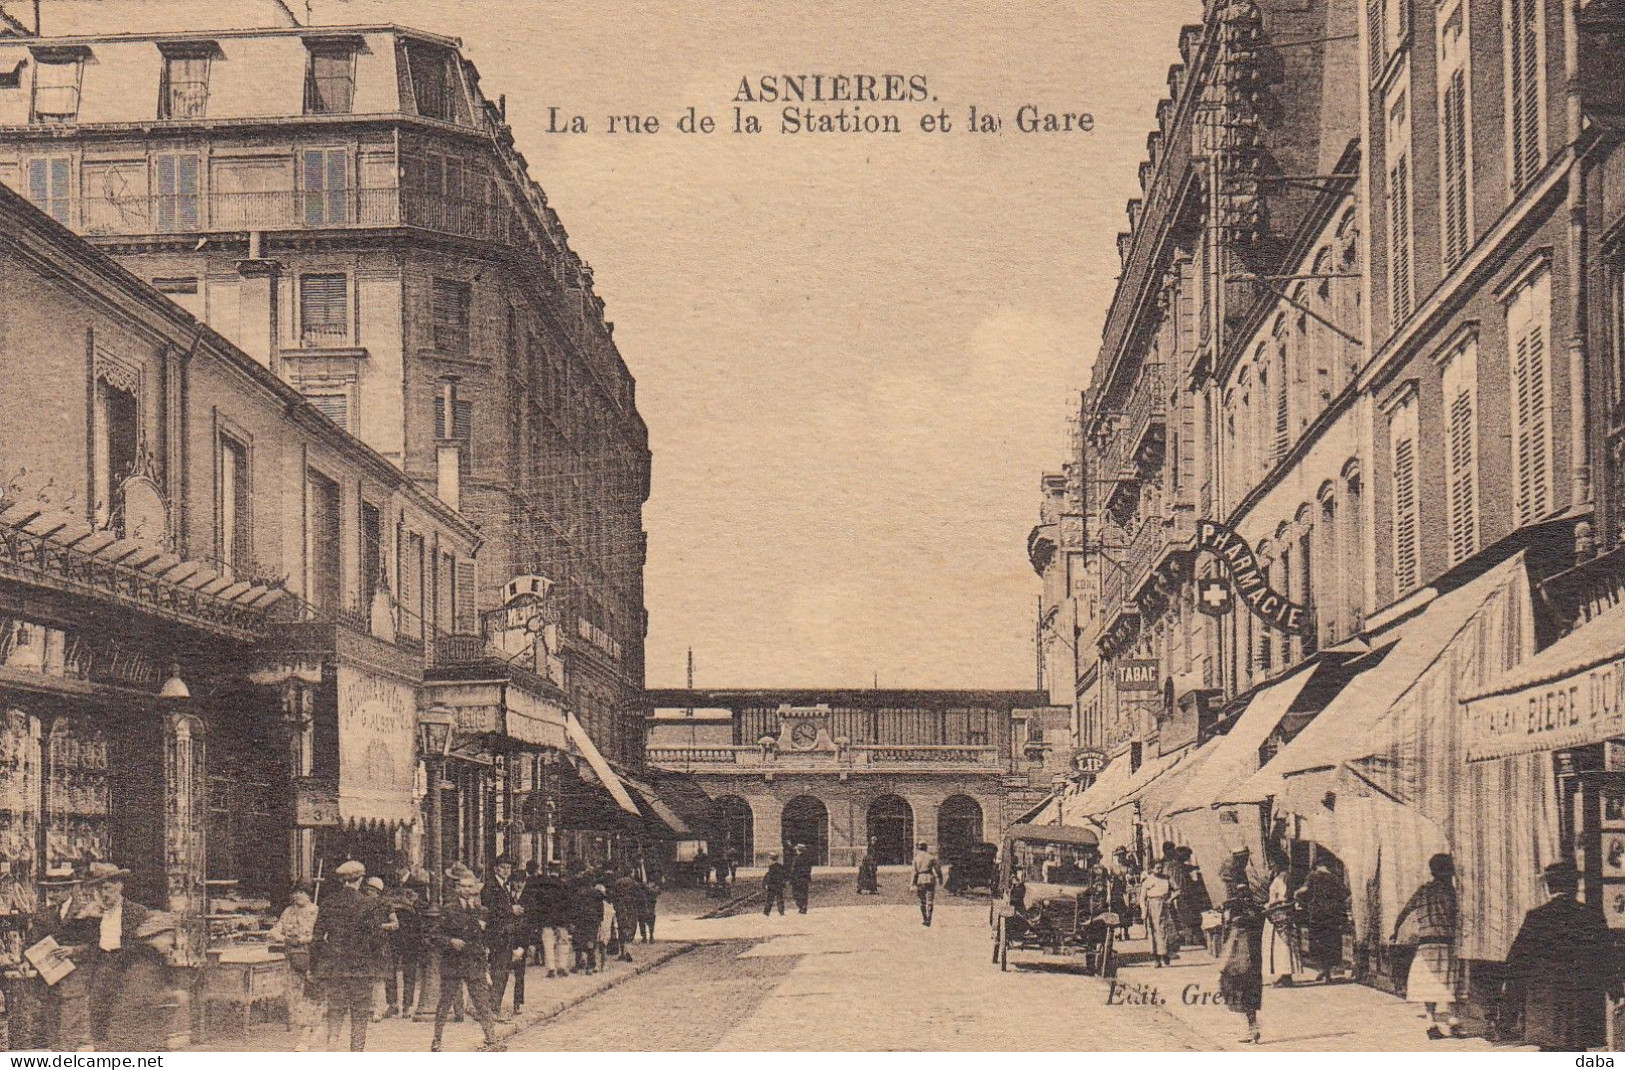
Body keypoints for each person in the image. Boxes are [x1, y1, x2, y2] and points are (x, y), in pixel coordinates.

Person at [1505, 860, 1614, 1051]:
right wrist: (1616, 989)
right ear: (1575, 886)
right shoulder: (1590, 914)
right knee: (1579, 1051)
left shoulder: (1536, 917)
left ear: (1549, 886)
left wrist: (1514, 994)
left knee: (1550, 1051)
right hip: (1582, 1001)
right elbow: (1605, 955)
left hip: (1547, 1003)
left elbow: (1518, 958)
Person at [312, 859, 392, 1052]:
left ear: (343, 881)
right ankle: (356, 1051)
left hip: (335, 966)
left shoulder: (328, 903)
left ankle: (332, 1043)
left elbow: (317, 938)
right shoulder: (368, 904)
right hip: (361, 968)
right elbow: (376, 937)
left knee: (336, 1008)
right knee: (360, 1012)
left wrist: (319, 963)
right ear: (359, 880)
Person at [1392, 853, 1461, 1040]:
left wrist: (1395, 930)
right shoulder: (1450, 891)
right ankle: (1453, 1019)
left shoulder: (1423, 890)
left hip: (1425, 944)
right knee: (1450, 979)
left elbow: (1405, 911)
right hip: (1445, 940)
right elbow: (1455, 914)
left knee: (1429, 981)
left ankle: (1430, 1021)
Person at [429, 874, 501, 1052]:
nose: (467, 890)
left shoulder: (482, 911)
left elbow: (487, 939)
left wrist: (486, 965)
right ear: (458, 888)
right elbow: (434, 935)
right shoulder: (448, 910)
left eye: (471, 886)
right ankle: (436, 1040)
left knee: (482, 1002)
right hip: (453, 963)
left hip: (474, 963)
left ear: (476, 888)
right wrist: (450, 942)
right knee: (445, 1003)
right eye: (464, 886)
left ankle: (492, 1039)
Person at [101, 910, 184, 1051]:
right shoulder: (145, 962)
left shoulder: (140, 958)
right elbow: (143, 997)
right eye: (167, 937)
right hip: (136, 1036)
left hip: (133, 1033)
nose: (170, 943)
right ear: (153, 937)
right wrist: (173, 996)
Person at [1217, 847, 1265, 1044]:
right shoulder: (1242, 881)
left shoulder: (1240, 884)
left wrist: (1230, 910)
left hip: (1243, 937)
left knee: (1240, 978)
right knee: (1242, 979)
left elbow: (1243, 909)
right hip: (1245, 935)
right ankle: (1251, 1025)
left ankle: (1251, 1026)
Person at [272, 883, 323, 1050]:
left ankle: (307, 1033)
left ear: (308, 894)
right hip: (291, 959)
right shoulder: (288, 911)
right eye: (296, 892)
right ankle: (307, 1029)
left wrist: (302, 940)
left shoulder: (315, 911)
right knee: (294, 996)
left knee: (309, 995)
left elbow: (319, 935)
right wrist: (282, 937)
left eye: (303, 892)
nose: (299, 895)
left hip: (310, 958)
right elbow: (276, 930)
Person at [482, 856, 525, 1019]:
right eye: (503, 867)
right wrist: (510, 910)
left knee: (502, 972)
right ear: (496, 869)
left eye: (509, 868)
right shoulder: (490, 887)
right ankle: (492, 1008)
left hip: (505, 935)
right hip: (496, 935)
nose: (506, 871)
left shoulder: (505, 886)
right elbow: (490, 911)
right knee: (498, 972)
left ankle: (494, 1007)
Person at [1297, 858, 1347, 983]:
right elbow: (1345, 893)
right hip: (1332, 915)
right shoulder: (1335, 878)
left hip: (1317, 914)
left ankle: (1322, 970)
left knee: (1318, 942)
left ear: (1316, 865)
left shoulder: (1313, 876)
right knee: (1330, 942)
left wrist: (1296, 895)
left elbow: (1304, 890)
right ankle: (1327, 973)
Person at [529, 863, 571, 977]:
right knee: (562, 944)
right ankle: (562, 966)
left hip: (547, 919)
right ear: (559, 871)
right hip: (561, 920)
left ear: (549, 870)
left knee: (548, 944)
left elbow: (538, 904)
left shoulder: (543, 885)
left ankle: (551, 968)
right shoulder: (564, 885)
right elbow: (568, 904)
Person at [1261, 861, 1297, 988]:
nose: (1270, 866)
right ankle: (1283, 975)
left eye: (1272, 863)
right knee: (1279, 946)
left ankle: (1286, 975)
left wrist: (1270, 904)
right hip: (1277, 914)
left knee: (1282, 945)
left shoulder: (1282, 877)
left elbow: (1284, 897)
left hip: (1279, 914)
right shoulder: (1280, 876)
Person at [1140, 862, 1176, 967]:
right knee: (1153, 932)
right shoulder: (1147, 881)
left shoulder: (1167, 879)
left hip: (1164, 906)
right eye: (1157, 868)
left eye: (1161, 868)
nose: (1160, 870)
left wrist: (1170, 899)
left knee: (1164, 931)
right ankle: (1156, 958)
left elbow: (1177, 890)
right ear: (1151, 869)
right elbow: (1142, 898)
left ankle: (1165, 954)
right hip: (1152, 907)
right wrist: (1143, 910)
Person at [570, 874, 605, 974]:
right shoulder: (597, 893)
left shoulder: (578, 893)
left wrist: (573, 921)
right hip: (593, 921)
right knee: (591, 941)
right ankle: (591, 965)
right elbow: (600, 908)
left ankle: (578, 964)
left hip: (580, 921)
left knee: (578, 941)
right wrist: (599, 919)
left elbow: (574, 908)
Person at [912, 841, 944, 926]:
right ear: (926, 847)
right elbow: (937, 869)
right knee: (930, 900)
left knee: (922, 901)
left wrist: (912, 883)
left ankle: (924, 918)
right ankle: (929, 919)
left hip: (920, 879)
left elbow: (914, 872)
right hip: (930, 878)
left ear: (919, 848)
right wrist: (940, 878)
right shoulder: (931, 857)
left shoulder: (916, 858)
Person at [789, 844, 814, 914]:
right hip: (805, 878)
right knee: (804, 893)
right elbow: (809, 868)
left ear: (799, 850)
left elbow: (794, 869)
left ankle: (800, 906)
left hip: (797, 879)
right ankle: (804, 906)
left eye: (797, 850)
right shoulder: (808, 858)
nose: (796, 851)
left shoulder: (796, 859)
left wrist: (791, 878)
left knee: (796, 893)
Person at [637, 871, 661, 942]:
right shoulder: (654, 886)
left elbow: (655, 892)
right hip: (644, 904)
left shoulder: (653, 886)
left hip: (649, 904)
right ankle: (645, 936)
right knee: (643, 919)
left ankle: (650, 936)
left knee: (648, 919)